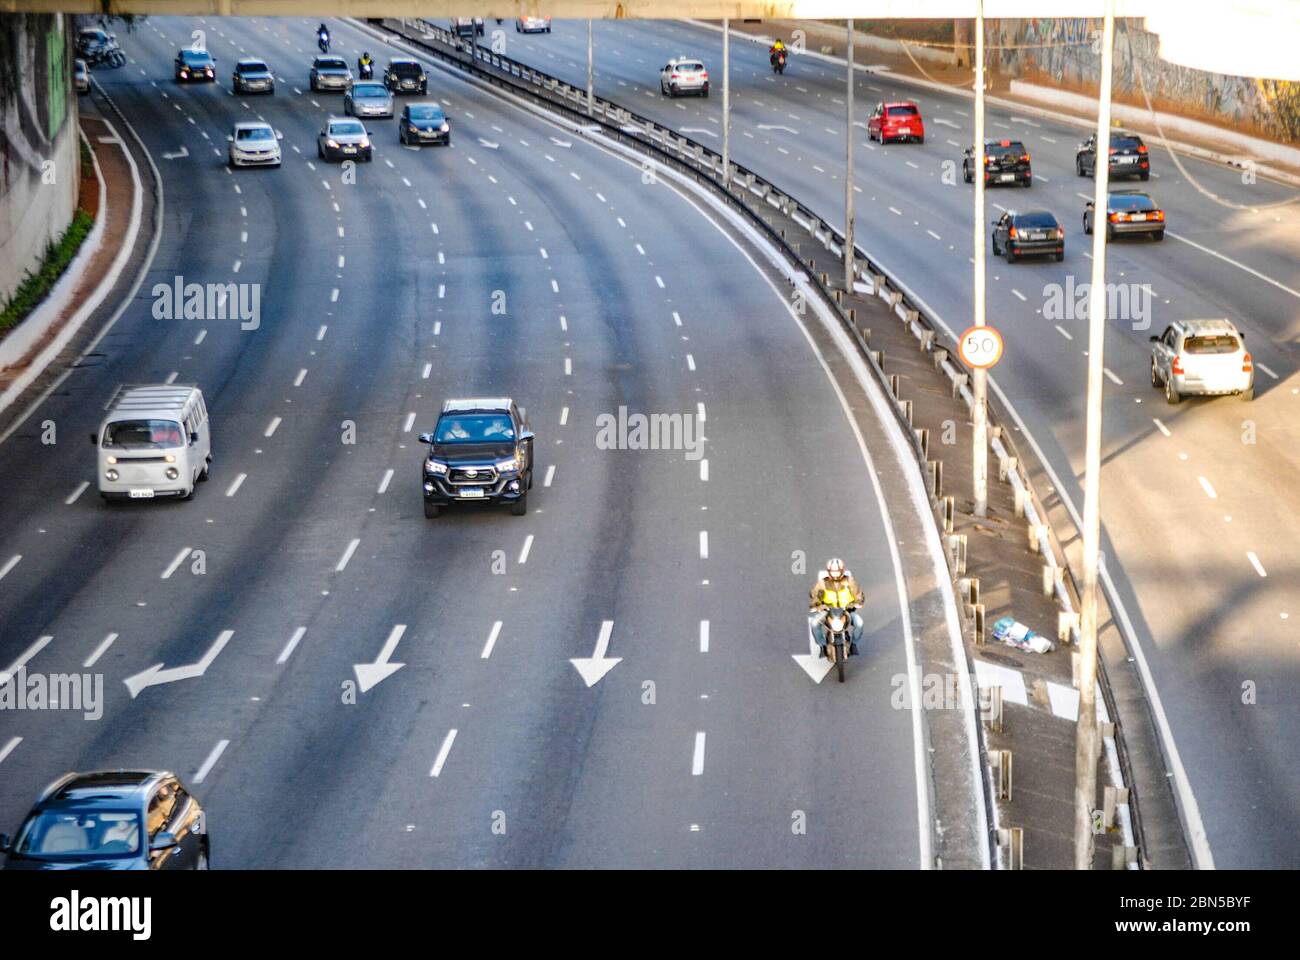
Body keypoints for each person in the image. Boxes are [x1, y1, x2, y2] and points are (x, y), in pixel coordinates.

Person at [808, 557, 864, 657]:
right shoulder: (822, 583)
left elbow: (858, 593)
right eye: (833, 572)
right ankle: (822, 646)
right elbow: (814, 594)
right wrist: (815, 605)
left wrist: (858, 602)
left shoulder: (849, 581)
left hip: (846, 610)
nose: (835, 574)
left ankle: (854, 644)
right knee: (814, 623)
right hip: (828, 610)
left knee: (859, 623)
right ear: (829, 571)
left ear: (842, 571)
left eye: (837, 571)